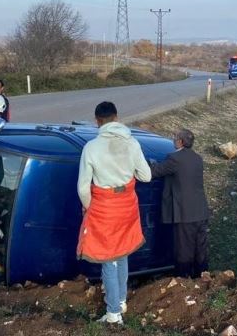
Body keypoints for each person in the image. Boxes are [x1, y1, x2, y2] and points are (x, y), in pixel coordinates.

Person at [76, 101, 151, 325]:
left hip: (104, 207)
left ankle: (113, 314)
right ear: (117, 118)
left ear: (97, 121)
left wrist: (90, 207)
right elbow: (146, 176)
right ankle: (121, 301)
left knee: (108, 258)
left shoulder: (91, 147)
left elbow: (82, 187)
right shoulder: (132, 143)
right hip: (127, 205)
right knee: (123, 251)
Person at [150, 129, 210, 278]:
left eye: (175, 138)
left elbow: (155, 172)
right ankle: (203, 280)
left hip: (185, 213)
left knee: (184, 251)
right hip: (201, 212)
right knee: (200, 250)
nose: (173, 140)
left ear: (181, 142)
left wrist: (149, 163)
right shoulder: (198, 158)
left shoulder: (174, 159)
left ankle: (184, 283)